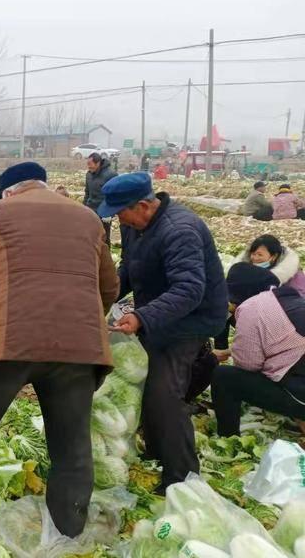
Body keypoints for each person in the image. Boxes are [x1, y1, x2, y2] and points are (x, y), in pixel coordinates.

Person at [0, 161, 120, 538]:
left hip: (8, 341)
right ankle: (70, 526)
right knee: (71, 441)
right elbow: (109, 288)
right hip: (77, 347)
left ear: (8, 191)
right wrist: (78, 320)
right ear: (43, 184)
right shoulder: (88, 218)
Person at [101, 172, 228, 493]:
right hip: (160, 314)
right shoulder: (135, 227)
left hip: (191, 321)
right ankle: (158, 449)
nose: (118, 220)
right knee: (148, 383)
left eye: (121, 213)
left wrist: (142, 317)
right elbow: (127, 271)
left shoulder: (179, 230)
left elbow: (188, 290)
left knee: (164, 395)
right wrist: (101, 299)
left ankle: (183, 478)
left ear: (144, 205)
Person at [211, 263, 305, 437]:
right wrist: (231, 351)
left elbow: (248, 366)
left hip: (299, 392)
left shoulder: (251, 308)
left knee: (224, 377)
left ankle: (228, 436)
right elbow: (283, 342)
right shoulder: (290, 299)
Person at [84, 153, 118, 245]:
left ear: (98, 163)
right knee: (91, 236)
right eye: (87, 164)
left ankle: (105, 258)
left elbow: (115, 195)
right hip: (91, 210)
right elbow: (87, 192)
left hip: (104, 213)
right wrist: (84, 208)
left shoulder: (111, 175)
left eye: (90, 164)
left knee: (104, 237)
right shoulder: (89, 175)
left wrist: (110, 213)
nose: (88, 167)